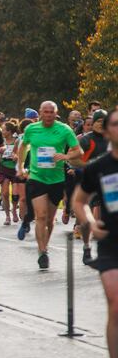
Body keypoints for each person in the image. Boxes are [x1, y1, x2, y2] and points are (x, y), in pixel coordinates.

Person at [72, 108, 118, 358]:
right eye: (116, 124)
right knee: (116, 304)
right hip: (111, 242)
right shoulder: (98, 167)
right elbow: (79, 201)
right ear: (107, 130)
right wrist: (90, 222)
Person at [16, 101, 82, 269]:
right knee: (41, 216)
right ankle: (42, 251)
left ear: (56, 113)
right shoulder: (31, 129)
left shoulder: (64, 130)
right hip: (37, 177)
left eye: (51, 112)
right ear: (40, 112)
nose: (48, 115)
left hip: (56, 179)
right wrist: (20, 166)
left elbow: (78, 151)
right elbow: (23, 146)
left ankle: (45, 244)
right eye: (45, 112)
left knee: (50, 220)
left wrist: (66, 156)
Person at [70, 109, 110, 264]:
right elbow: (72, 160)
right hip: (89, 184)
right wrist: (88, 166)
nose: (101, 124)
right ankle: (87, 247)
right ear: (93, 124)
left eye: (103, 121)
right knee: (88, 221)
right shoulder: (86, 140)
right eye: (98, 121)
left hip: (109, 184)